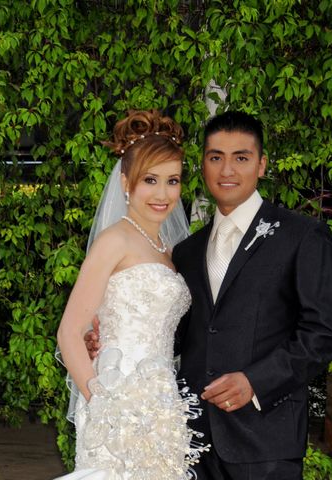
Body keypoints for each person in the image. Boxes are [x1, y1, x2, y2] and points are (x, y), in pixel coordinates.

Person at [87, 111, 332, 479]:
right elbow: (177, 332)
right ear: (203, 164)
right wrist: (111, 336)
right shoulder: (187, 250)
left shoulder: (302, 236)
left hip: (265, 442)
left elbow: (324, 332)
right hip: (188, 439)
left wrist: (256, 381)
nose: (227, 170)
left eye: (241, 157)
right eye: (215, 157)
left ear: (261, 165)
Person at [56, 109, 209, 480]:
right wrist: (103, 403)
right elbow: (69, 332)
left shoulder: (171, 249)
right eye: (150, 180)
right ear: (126, 182)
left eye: (172, 181)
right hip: (117, 401)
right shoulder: (114, 241)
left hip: (163, 403)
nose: (163, 194)